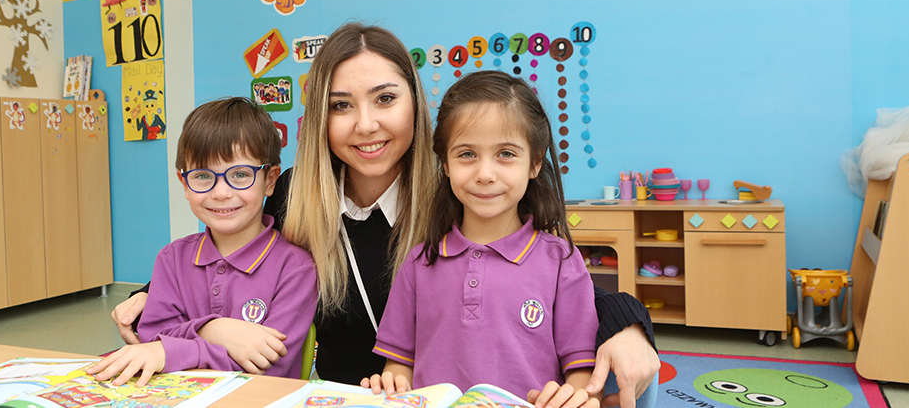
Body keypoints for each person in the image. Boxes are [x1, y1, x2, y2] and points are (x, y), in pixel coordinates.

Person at [112, 23, 659, 408]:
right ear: (319, 118)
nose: (365, 124)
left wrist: (629, 325)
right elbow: (225, 241)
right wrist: (148, 292)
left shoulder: (460, 190)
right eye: (341, 105)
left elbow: (549, 273)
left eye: (385, 99)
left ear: (415, 103)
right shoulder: (295, 195)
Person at [363, 70, 600, 407]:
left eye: (506, 154)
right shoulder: (419, 263)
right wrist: (392, 383)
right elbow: (399, 363)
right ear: (445, 164)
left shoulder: (561, 262)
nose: (485, 174)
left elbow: (582, 370)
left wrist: (573, 397)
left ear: (534, 163)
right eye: (467, 154)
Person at [88, 97, 317, 386]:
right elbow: (152, 338)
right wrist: (212, 330)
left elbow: (266, 366)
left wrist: (174, 350)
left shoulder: (296, 268)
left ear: (270, 180)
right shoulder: (172, 258)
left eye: (240, 175)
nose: (221, 193)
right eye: (203, 176)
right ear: (184, 183)